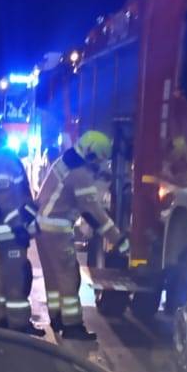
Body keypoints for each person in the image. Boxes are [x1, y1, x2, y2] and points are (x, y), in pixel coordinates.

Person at [33, 129, 124, 341]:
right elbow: (94, 213)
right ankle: (72, 325)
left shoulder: (64, 162)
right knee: (69, 277)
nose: (98, 164)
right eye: (98, 159)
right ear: (91, 154)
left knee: (53, 277)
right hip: (57, 231)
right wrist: (119, 240)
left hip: (41, 228)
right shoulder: (80, 175)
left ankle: (56, 318)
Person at [0, 113, 44, 336]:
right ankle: (18, 325)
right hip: (10, 231)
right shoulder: (0, 160)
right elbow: (6, 199)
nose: (3, 130)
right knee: (17, 278)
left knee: (4, 276)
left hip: (4, 231)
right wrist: (18, 226)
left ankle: (1, 320)